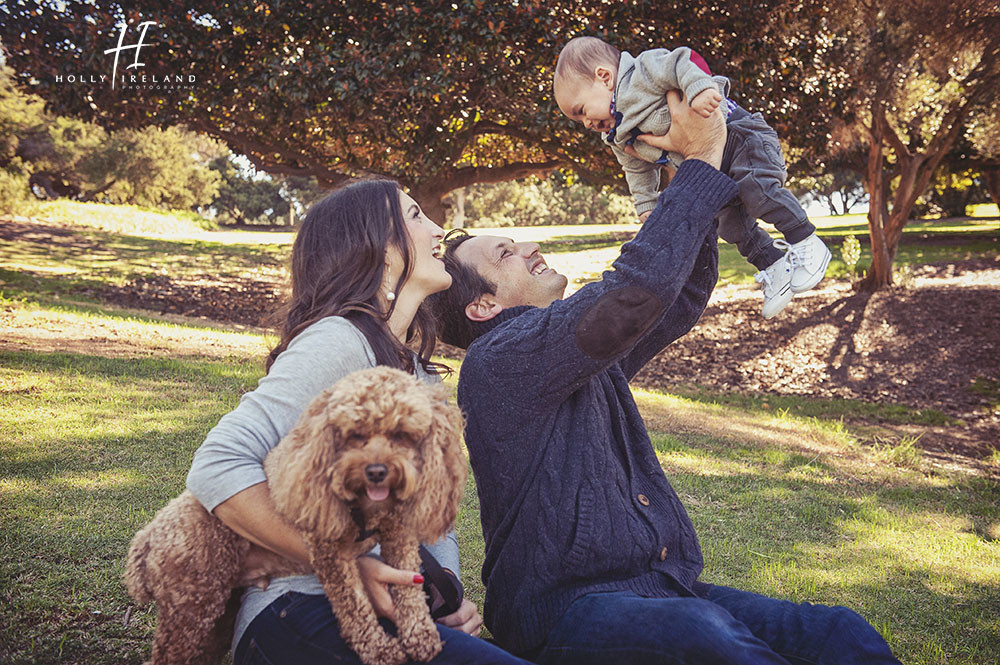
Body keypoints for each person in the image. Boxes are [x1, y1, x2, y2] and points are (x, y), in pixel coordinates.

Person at [427, 92, 901, 664]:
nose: (529, 246)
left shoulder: (565, 350)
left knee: (835, 632)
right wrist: (698, 167)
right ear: (482, 307)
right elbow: (632, 294)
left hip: (663, 589)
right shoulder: (499, 360)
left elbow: (674, 300)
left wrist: (679, 171)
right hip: (563, 609)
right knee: (705, 634)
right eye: (505, 253)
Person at [185, 180, 530, 665]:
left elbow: (429, 516)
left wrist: (441, 590)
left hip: (394, 618)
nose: (438, 230)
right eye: (415, 216)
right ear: (378, 248)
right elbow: (217, 464)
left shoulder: (418, 374)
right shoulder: (339, 340)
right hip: (299, 614)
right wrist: (352, 562)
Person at [553, 35, 832, 319]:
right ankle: (774, 267)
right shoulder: (616, 136)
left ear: (604, 77)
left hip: (740, 137)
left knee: (757, 190)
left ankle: (807, 241)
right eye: (578, 121)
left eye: (581, 110)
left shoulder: (643, 71)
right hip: (712, 167)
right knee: (730, 225)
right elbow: (636, 169)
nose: (586, 123)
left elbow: (681, 61)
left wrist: (699, 89)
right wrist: (646, 204)